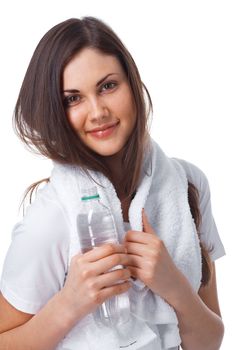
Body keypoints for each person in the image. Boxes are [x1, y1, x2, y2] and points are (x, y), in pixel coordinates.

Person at [0, 17, 225, 350]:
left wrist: (174, 286)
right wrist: (70, 303)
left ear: (132, 85)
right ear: (54, 112)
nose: (98, 111)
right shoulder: (51, 218)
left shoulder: (187, 186)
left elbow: (210, 342)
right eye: (72, 99)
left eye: (108, 86)